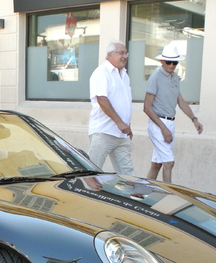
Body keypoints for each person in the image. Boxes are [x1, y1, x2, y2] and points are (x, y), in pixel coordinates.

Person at [143, 44, 203, 182]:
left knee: (157, 164)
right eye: (168, 62)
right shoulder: (155, 77)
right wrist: (163, 128)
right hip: (158, 123)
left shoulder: (175, 77)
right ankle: (168, 195)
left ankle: (141, 192)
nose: (171, 65)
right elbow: (147, 106)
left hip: (170, 122)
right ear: (162, 61)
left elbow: (179, 100)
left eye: (174, 62)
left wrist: (194, 119)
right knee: (169, 162)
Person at [87, 42, 134, 175]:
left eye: (126, 53)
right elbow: (102, 99)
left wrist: (127, 125)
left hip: (122, 134)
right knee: (92, 172)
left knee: (128, 174)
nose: (125, 56)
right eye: (121, 53)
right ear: (110, 54)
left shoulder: (125, 75)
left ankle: (132, 195)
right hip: (104, 132)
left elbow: (124, 103)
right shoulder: (101, 72)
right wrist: (120, 122)